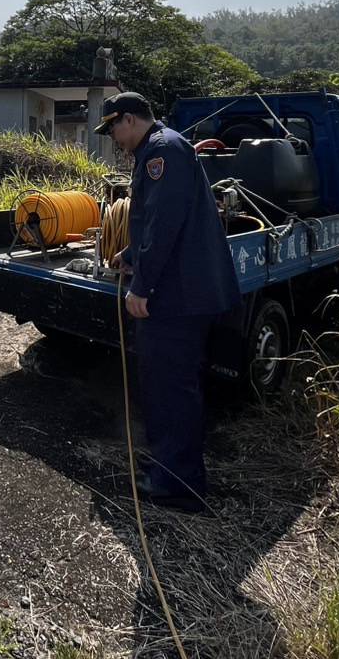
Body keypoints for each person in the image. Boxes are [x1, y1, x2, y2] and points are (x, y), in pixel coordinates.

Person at [95, 91, 239, 514]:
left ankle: (178, 487)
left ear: (129, 120)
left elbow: (165, 222)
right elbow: (152, 221)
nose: (114, 139)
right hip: (180, 290)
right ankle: (167, 469)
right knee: (164, 387)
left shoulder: (162, 151)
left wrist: (142, 286)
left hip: (178, 296)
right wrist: (132, 255)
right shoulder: (162, 148)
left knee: (171, 389)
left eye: (113, 129)